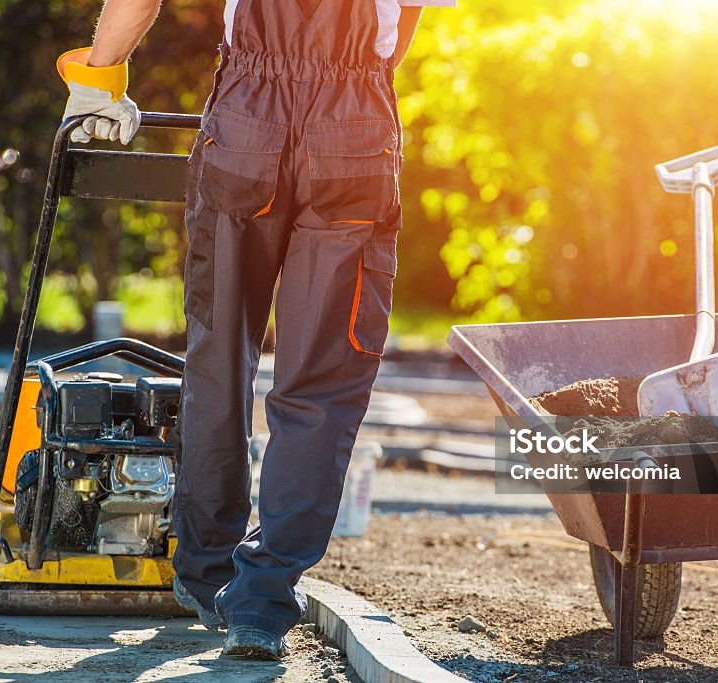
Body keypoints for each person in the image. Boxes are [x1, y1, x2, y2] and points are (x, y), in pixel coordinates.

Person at [56, 0, 455, 660]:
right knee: (322, 376)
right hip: (353, 127)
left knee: (220, 354)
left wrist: (99, 78)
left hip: (248, 116)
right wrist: (351, 84)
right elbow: (405, 21)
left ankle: (207, 567)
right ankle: (262, 600)